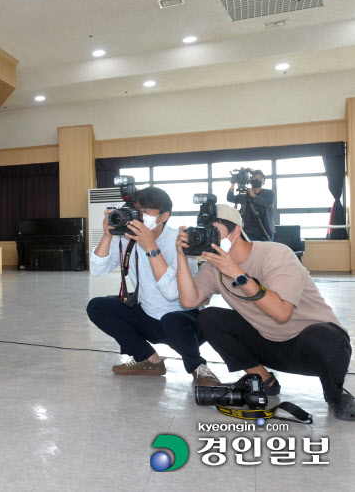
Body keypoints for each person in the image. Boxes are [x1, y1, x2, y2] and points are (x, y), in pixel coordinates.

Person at [175, 204, 355, 421]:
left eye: (213, 232)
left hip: (313, 348)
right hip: (269, 344)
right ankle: (263, 380)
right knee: (209, 317)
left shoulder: (276, 254)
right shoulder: (213, 267)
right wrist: (182, 256)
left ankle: (335, 395)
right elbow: (189, 300)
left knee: (324, 337)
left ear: (235, 231)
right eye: (201, 232)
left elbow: (281, 313)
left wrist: (238, 273)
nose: (206, 239)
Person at [87, 187, 221, 386]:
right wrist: (108, 235)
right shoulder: (126, 238)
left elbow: (173, 294)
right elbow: (97, 270)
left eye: (146, 212)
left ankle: (198, 367)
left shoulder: (181, 240)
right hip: (147, 314)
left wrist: (151, 247)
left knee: (171, 320)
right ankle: (149, 360)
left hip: (182, 321)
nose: (140, 217)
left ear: (164, 215)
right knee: (98, 307)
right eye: (137, 211)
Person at [227, 169, 275, 241]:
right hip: (250, 232)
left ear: (263, 182)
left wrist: (253, 196)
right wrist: (233, 184)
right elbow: (230, 198)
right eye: (254, 177)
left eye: (259, 178)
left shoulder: (269, 193)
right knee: (251, 252)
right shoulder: (246, 194)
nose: (257, 179)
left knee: (265, 252)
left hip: (266, 232)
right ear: (250, 180)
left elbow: (268, 203)